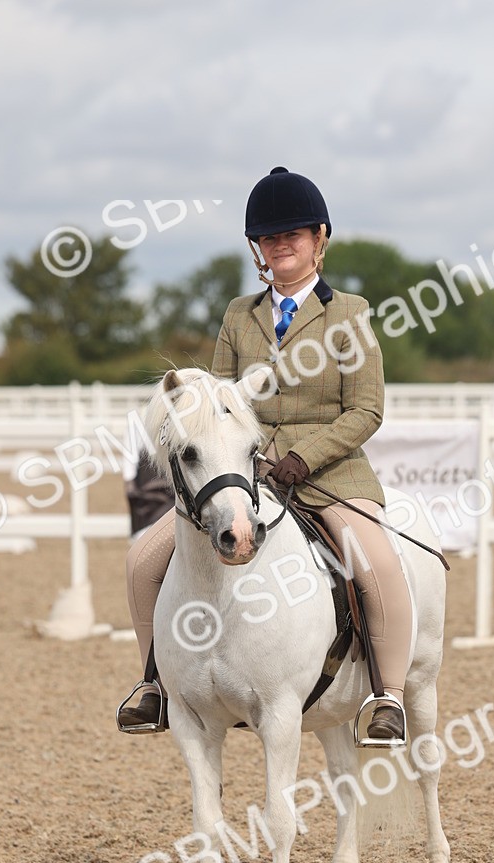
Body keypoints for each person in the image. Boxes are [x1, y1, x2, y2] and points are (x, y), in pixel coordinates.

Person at [117, 166, 413, 741]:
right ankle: (155, 682)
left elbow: (367, 410)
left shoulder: (350, 314)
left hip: (330, 474)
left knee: (376, 565)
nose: (281, 246)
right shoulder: (238, 315)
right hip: (247, 475)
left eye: (292, 236)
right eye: (270, 238)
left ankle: (388, 697)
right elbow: (219, 403)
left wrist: (303, 456)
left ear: (318, 240)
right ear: (257, 247)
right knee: (143, 560)